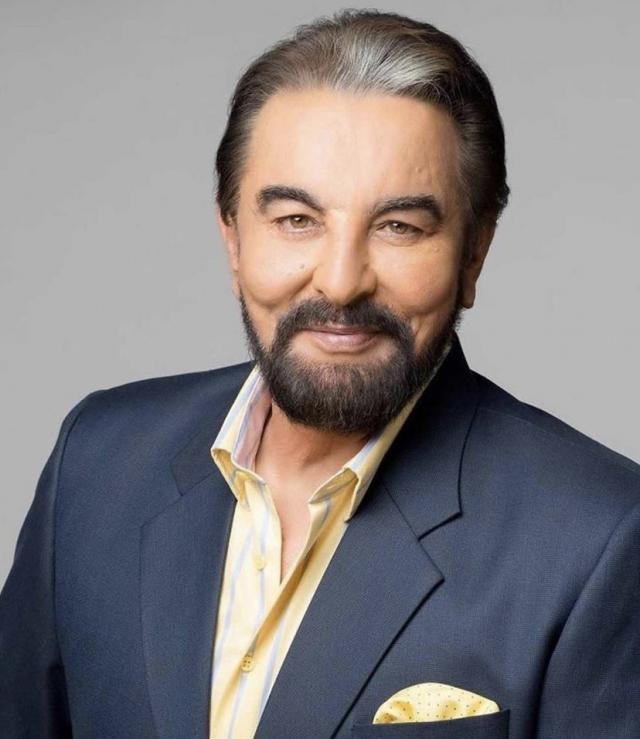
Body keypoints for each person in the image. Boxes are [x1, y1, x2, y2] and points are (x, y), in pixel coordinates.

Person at [1, 9, 638, 738]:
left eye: (399, 227)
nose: (340, 281)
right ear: (233, 239)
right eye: (297, 220)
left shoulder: (599, 538)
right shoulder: (96, 462)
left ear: (474, 255)